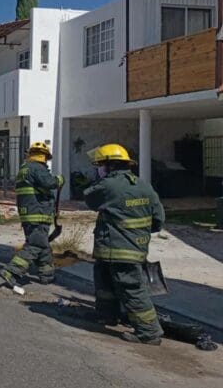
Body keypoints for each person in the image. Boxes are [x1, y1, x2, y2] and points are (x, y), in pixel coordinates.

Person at [84, 144, 164, 345]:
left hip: (117, 247)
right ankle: (107, 315)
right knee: (106, 282)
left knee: (131, 288)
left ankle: (149, 332)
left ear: (109, 166)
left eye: (100, 165)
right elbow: (158, 220)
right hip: (130, 246)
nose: (99, 169)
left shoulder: (108, 185)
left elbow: (90, 198)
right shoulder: (144, 185)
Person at [0, 142, 63, 289]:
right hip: (38, 214)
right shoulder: (37, 168)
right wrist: (59, 180)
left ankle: (47, 275)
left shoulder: (24, 169)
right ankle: (12, 271)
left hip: (29, 214)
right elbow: (50, 183)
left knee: (43, 245)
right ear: (45, 157)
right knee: (35, 245)